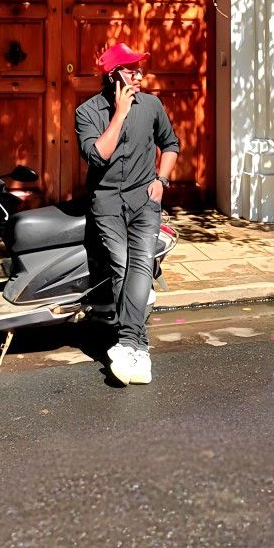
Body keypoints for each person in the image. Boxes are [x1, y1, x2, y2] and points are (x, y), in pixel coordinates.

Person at [75, 41, 179, 386]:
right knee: (122, 266)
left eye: (139, 68)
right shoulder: (87, 112)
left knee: (140, 265)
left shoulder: (152, 105)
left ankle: (129, 344)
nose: (139, 74)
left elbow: (171, 144)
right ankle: (138, 346)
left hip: (144, 199)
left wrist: (161, 180)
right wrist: (119, 113)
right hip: (106, 204)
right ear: (113, 75)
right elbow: (97, 156)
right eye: (131, 69)